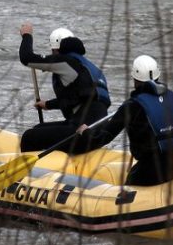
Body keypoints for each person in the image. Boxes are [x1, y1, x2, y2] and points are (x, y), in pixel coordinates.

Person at [77, 55, 173, 186]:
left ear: (135, 79)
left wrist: (85, 132)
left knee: (130, 182)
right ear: (158, 76)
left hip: (152, 172)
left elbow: (102, 138)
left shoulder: (131, 106)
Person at [18, 23, 110, 153]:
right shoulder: (88, 67)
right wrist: (48, 104)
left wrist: (27, 35)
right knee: (38, 128)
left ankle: (31, 171)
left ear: (57, 49)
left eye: (53, 51)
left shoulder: (66, 62)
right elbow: (77, 98)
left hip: (81, 131)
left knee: (29, 137)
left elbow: (27, 58)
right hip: (97, 131)